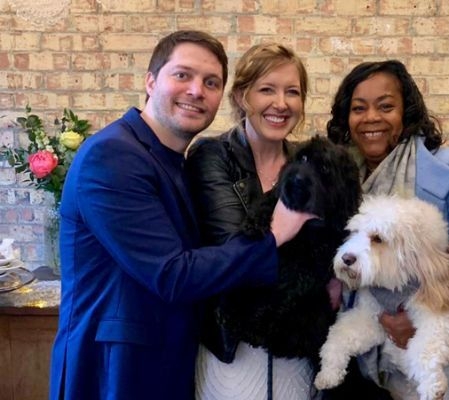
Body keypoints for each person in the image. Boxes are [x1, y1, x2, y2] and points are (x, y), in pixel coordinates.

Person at [49, 31, 313, 400]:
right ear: (151, 80)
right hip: (116, 369)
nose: (196, 91)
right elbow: (172, 273)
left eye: (210, 82)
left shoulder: (172, 159)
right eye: (182, 75)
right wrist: (274, 237)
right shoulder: (113, 156)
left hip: (171, 361)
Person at [327, 60, 449, 399]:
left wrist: (426, 323)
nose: (371, 118)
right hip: (359, 364)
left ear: (406, 112)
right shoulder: (338, 178)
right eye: (358, 108)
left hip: (432, 358)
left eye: (386, 106)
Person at [184, 43, 317, 399]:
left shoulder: (309, 163)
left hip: (298, 344)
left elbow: (325, 253)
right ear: (243, 96)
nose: (282, 103)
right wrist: (284, 238)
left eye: (293, 92)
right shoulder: (211, 156)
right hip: (233, 346)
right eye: (267, 89)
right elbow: (231, 251)